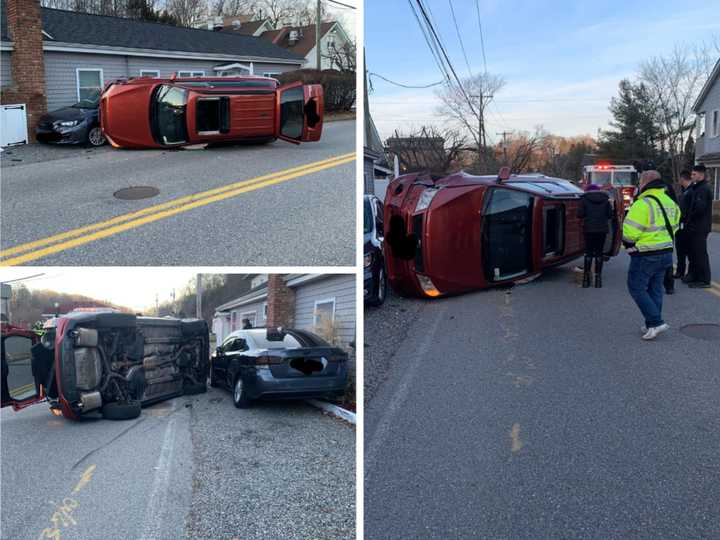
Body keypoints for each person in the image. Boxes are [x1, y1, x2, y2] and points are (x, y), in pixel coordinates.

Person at [623, 170, 680, 340]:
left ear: (645, 182)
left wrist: (629, 245)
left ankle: (656, 321)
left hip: (646, 254)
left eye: (640, 181)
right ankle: (651, 324)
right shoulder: (670, 202)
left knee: (636, 287)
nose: (639, 184)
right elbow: (676, 226)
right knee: (655, 289)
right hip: (666, 252)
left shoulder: (643, 204)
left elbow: (630, 233)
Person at [684, 164, 713, 288]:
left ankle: (704, 279)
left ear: (701, 175)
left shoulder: (703, 189)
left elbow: (700, 209)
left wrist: (689, 218)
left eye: (694, 174)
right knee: (694, 252)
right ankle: (695, 276)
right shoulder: (697, 188)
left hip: (700, 226)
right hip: (695, 226)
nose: (692, 176)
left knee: (700, 253)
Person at [578, 184, 612, 288]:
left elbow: (579, 214)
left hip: (588, 229)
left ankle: (585, 280)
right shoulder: (606, 200)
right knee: (599, 253)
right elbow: (610, 215)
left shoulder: (584, 199)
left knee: (588, 253)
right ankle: (598, 280)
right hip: (602, 230)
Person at [673, 170, 693, 280]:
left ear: (682, 179)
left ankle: (687, 272)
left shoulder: (691, 192)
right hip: (680, 225)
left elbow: (687, 210)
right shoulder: (684, 191)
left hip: (686, 225)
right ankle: (680, 271)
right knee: (680, 250)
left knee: (687, 251)